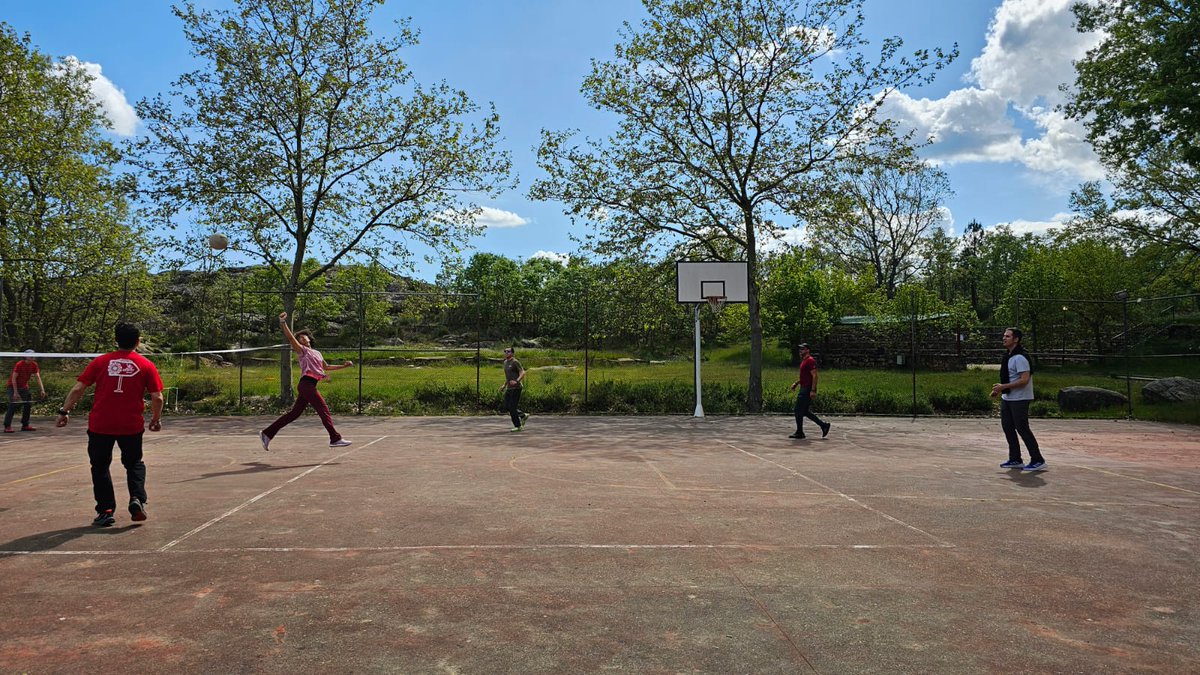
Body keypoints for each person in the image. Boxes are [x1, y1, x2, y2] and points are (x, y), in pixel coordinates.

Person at [56, 323, 164, 527]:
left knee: (99, 466)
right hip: (130, 425)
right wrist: (155, 419)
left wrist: (64, 411)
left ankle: (105, 510)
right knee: (134, 463)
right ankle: (137, 499)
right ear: (138, 342)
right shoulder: (146, 364)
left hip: (100, 424)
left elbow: (79, 388)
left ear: (116, 340)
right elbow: (157, 397)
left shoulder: (101, 362)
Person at [259, 312, 353, 451]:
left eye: (303, 336)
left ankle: (267, 433)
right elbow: (291, 338)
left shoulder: (317, 352)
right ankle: (335, 438)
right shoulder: (301, 350)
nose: (301, 338)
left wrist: (344, 366)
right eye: (299, 338)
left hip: (309, 385)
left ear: (309, 338)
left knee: (294, 414)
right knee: (323, 408)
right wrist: (283, 323)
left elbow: (326, 367)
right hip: (306, 384)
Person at [992, 327, 1046, 472]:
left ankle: (1038, 460)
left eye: (1008, 336)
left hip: (1020, 399)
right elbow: (1009, 377)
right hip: (1008, 398)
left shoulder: (1020, 357)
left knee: (1022, 428)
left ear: (1016, 339)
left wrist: (1004, 386)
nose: (1004, 338)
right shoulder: (1008, 356)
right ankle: (1015, 459)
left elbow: (1024, 380)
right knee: (1008, 428)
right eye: (1004, 335)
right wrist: (1000, 390)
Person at [788, 343, 830, 439]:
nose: (800, 351)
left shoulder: (810, 360)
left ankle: (800, 432)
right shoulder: (804, 361)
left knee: (798, 410)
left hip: (807, 389)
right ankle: (824, 425)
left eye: (802, 349)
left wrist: (813, 390)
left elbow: (814, 376)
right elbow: (805, 376)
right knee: (805, 411)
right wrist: (797, 383)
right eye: (800, 349)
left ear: (808, 350)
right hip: (804, 387)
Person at [5, 349, 47, 432]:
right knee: (13, 405)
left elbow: (38, 377)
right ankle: (7, 426)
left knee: (28, 404)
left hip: (24, 387)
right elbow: (14, 378)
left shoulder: (34, 365)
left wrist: (42, 390)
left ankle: (25, 425)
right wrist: (16, 392)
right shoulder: (19, 364)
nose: (32, 357)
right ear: (26, 356)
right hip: (12, 387)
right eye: (30, 355)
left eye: (33, 355)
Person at [499, 346, 528, 432]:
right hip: (509, 388)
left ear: (512, 353)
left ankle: (518, 426)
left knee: (512, 407)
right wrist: (504, 385)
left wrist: (517, 381)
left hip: (516, 388)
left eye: (508, 351)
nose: (506, 353)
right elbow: (508, 377)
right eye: (505, 351)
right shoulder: (505, 363)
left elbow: (522, 372)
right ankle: (523, 415)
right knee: (507, 406)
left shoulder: (515, 362)